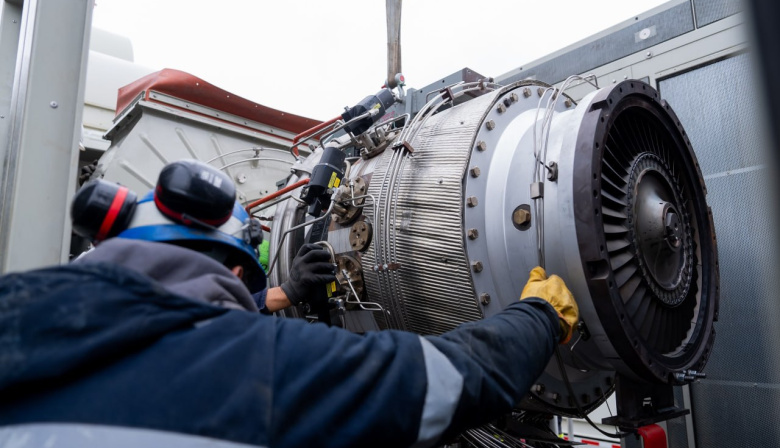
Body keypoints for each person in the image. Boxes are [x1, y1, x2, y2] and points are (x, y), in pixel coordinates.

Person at [0, 160, 579, 448]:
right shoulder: (262, 369)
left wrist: (284, 294)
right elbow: (451, 381)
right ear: (230, 267)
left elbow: (171, 322)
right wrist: (540, 314)